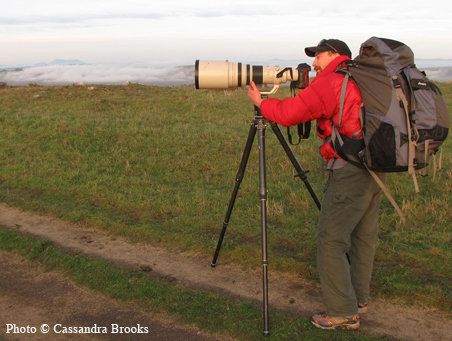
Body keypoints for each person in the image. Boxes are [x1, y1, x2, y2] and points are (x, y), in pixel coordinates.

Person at [248, 39, 386, 331]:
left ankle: (343, 313)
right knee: (362, 237)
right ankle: (357, 300)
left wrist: (262, 103)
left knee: (331, 240)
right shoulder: (359, 77)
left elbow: (290, 114)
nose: (314, 63)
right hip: (375, 166)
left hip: (349, 169)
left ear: (335, 54)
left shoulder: (332, 83)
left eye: (318, 56)